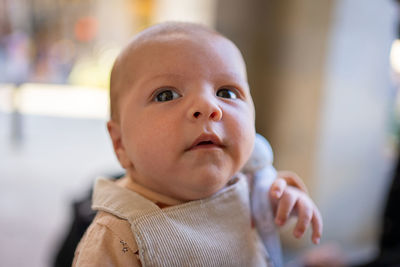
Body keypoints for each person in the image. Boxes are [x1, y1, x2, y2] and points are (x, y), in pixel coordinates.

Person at [72, 21, 322, 267]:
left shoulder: (250, 180)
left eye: (227, 93)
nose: (208, 106)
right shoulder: (117, 238)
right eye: (166, 95)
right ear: (120, 144)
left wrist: (281, 201)